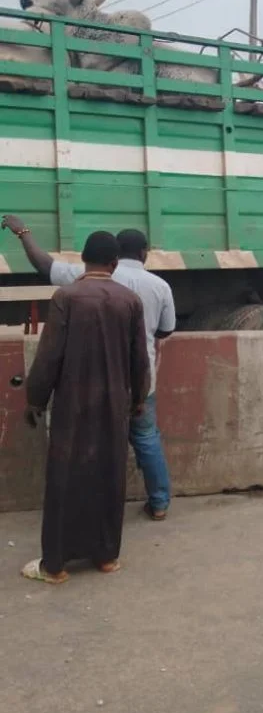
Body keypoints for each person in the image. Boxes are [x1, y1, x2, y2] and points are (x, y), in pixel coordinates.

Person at [1, 216, 176, 520]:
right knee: (146, 439)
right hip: (139, 381)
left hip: (92, 382)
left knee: (93, 443)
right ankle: (159, 503)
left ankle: (95, 508)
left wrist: (23, 233)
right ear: (144, 253)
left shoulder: (79, 281)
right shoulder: (159, 286)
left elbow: (44, 265)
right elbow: (164, 331)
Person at [22, 231, 150, 583]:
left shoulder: (67, 297)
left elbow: (49, 358)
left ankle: (56, 566)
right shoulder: (129, 300)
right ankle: (106, 556)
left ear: (83, 258)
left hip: (72, 404)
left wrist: (35, 399)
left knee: (65, 478)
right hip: (114, 405)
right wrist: (138, 400)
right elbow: (140, 360)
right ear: (113, 264)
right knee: (109, 475)